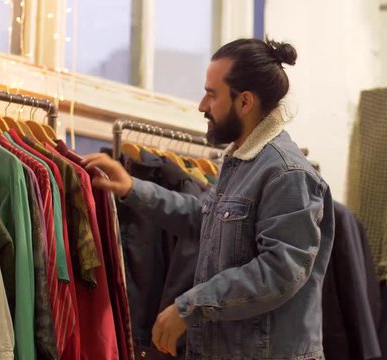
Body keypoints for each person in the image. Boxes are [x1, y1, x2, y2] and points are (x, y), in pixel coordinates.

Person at [82, 38, 335, 360]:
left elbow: (282, 270)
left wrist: (189, 307)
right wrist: (132, 187)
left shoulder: (286, 173)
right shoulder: (243, 164)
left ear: (245, 102)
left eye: (211, 94)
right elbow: (204, 219)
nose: (202, 105)